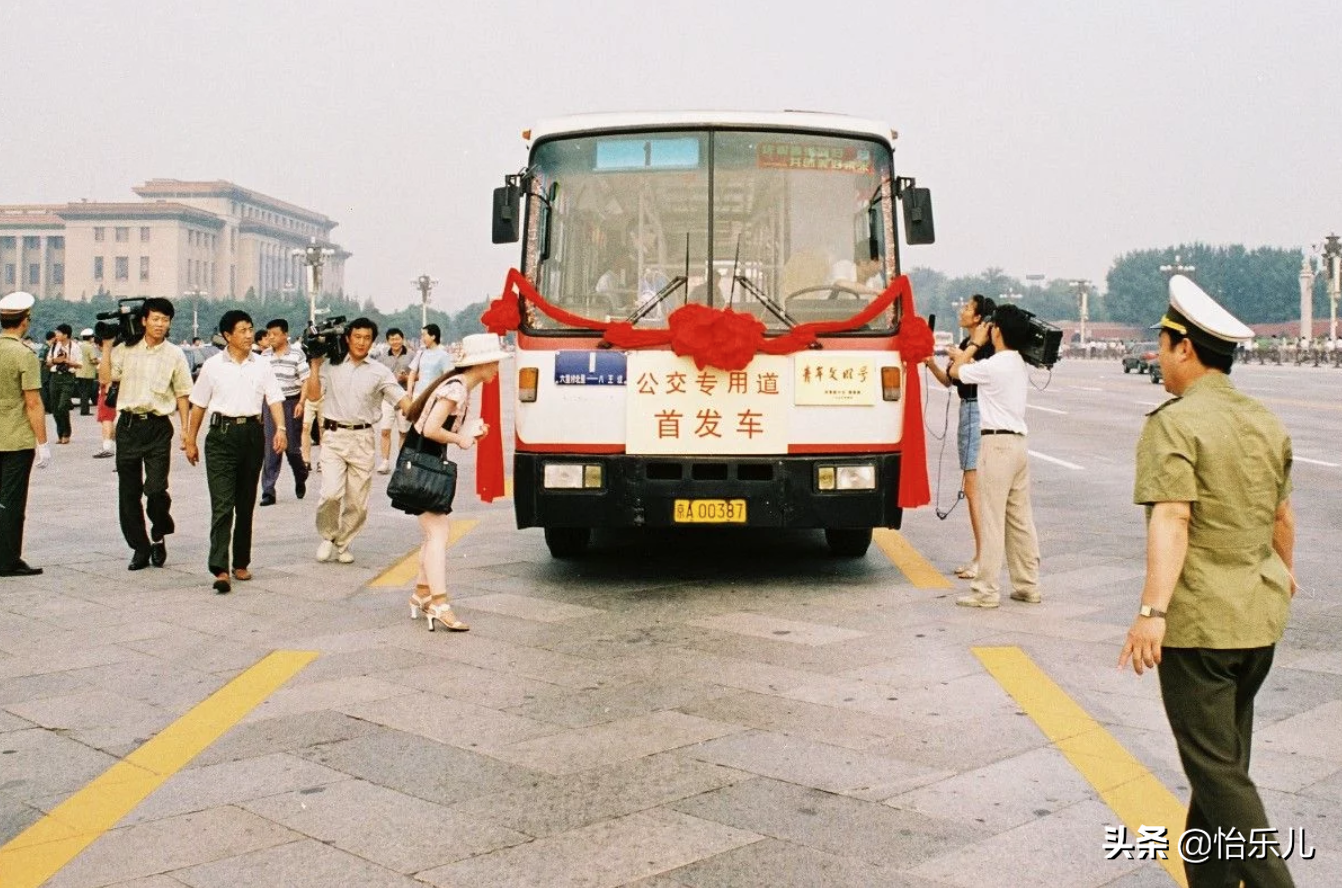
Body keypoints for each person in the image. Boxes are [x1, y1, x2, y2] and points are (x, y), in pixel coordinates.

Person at [1119, 275, 1296, 888]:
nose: (1160, 358)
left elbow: (1173, 515)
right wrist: (1284, 573)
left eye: (1163, 345)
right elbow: (1281, 516)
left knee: (1219, 775)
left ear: (1184, 348)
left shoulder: (1176, 423)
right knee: (1218, 770)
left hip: (1201, 631)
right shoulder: (1263, 420)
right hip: (1257, 624)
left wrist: (1151, 611)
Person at [403, 332, 510, 632]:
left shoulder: (458, 386)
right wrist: (462, 439)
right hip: (425, 461)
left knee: (433, 531)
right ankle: (439, 602)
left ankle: (422, 594)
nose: (497, 369)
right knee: (438, 531)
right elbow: (431, 428)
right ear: (482, 364)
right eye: (494, 363)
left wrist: (468, 432)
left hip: (421, 459)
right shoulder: (458, 389)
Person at [184, 311, 287, 594]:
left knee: (245, 502)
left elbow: (275, 398)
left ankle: (241, 561)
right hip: (221, 437)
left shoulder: (262, 365)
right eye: (241, 330)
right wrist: (190, 439)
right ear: (228, 335)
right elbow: (199, 404)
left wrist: (281, 429)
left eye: (250, 329)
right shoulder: (212, 366)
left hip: (252, 435)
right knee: (222, 504)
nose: (248, 334)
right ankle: (219, 567)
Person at [948, 303, 1041, 608]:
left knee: (992, 520)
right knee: (1020, 520)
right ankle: (1028, 585)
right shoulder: (1017, 362)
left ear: (996, 330)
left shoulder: (995, 365)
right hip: (1018, 446)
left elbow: (955, 371)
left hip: (997, 446)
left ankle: (986, 590)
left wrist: (975, 342)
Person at [303, 317, 410, 564]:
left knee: (358, 502)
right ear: (348, 338)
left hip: (362, 438)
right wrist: (315, 366)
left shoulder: (379, 371)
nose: (361, 343)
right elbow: (313, 395)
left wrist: (425, 411)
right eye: (357, 337)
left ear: (373, 341)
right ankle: (328, 536)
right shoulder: (331, 365)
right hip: (333, 436)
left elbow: (402, 400)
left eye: (367, 338)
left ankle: (343, 542)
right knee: (330, 493)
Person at [99, 297, 193, 570]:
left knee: (155, 489)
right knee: (128, 493)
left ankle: (159, 531)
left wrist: (186, 432)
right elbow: (106, 379)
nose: (160, 324)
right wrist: (106, 347)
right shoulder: (126, 350)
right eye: (155, 319)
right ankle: (140, 547)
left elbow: (183, 394)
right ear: (143, 321)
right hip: (128, 426)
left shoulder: (175, 354)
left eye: (165, 320)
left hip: (158, 427)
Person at [924, 294, 996, 579]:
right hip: (967, 410)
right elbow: (950, 380)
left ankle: (983, 558)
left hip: (975, 412)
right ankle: (980, 555)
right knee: (972, 485)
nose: (962, 310)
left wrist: (960, 359)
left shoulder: (983, 347)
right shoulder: (969, 345)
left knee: (973, 486)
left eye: (968, 308)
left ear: (978, 318)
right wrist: (931, 363)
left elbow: (960, 371)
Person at [0, 292, 52, 577]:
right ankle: (7, 558)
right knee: (11, 501)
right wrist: (43, 443)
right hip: (16, 438)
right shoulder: (24, 354)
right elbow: (32, 402)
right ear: (25, 322)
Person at [258, 318, 310, 506]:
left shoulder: (297, 354)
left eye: (275, 334)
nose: (270, 337)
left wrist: (302, 403)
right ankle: (268, 490)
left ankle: (301, 474)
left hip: (291, 403)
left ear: (285, 335)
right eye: (268, 334)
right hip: (271, 404)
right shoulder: (264, 356)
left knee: (292, 448)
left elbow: (305, 380)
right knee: (273, 447)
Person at [375, 327, 415, 474]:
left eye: (397, 338)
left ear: (402, 339)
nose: (395, 342)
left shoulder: (411, 355)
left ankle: (401, 462)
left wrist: (406, 378)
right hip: (387, 398)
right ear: (387, 341)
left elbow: (418, 375)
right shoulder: (382, 357)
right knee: (385, 430)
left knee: (403, 432)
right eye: (392, 339)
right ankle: (385, 461)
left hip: (404, 396)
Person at [45, 323, 82, 444]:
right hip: (55, 377)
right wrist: (56, 360)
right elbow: (48, 362)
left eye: (58, 333)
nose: (56, 335)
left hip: (68, 377)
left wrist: (68, 362)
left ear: (66, 335)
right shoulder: (55, 345)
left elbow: (80, 364)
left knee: (62, 406)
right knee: (55, 408)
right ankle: (60, 433)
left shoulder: (75, 347)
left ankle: (67, 432)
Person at [404, 323, 453, 402]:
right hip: (418, 394)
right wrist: (409, 392)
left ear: (433, 336)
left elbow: (448, 377)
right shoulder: (420, 353)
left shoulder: (444, 355)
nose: (422, 338)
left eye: (424, 335)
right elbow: (412, 374)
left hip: (434, 395)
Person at [76, 329, 99, 416]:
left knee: (82, 392)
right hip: (88, 373)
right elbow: (93, 360)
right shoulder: (90, 347)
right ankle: (85, 411)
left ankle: (83, 409)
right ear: (91, 338)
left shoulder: (79, 346)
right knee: (86, 392)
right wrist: (99, 361)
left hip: (79, 372)